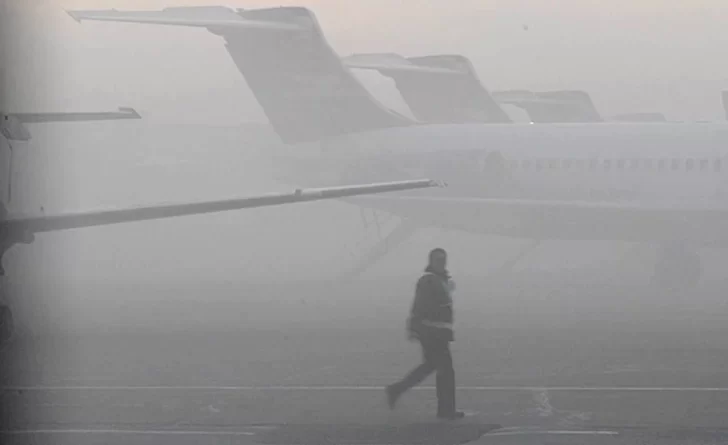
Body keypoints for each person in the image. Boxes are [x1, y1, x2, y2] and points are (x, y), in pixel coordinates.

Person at [385, 247, 464, 420]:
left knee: (432, 366)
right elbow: (419, 305)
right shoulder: (428, 280)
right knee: (445, 371)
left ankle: (397, 389)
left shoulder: (439, 280)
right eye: (438, 260)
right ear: (431, 261)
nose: (441, 263)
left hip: (438, 332)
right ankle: (445, 410)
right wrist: (414, 327)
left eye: (443, 259)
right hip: (431, 332)